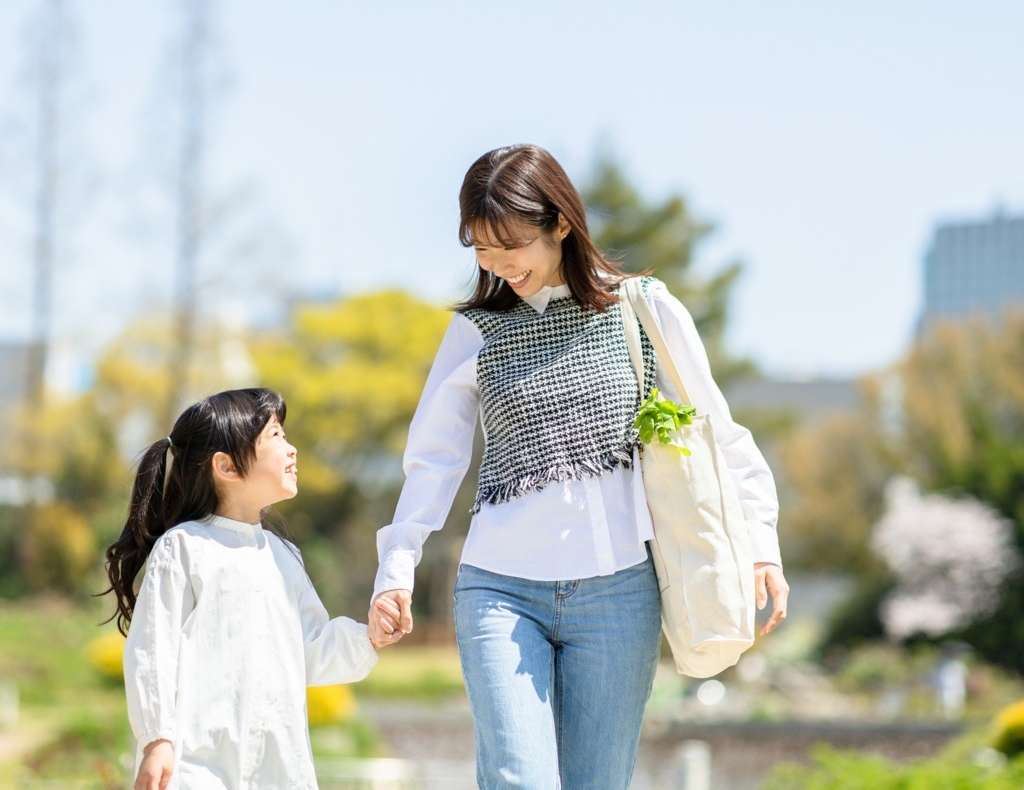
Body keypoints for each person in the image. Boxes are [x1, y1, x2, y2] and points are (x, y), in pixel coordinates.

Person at [367, 144, 789, 789]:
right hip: (500, 590)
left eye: (513, 245)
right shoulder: (477, 331)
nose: (500, 265)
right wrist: (397, 569)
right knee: (519, 780)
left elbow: (721, 434)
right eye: (481, 249)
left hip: (619, 594)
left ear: (561, 223)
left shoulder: (641, 310)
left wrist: (761, 544)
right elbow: (434, 459)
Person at [102, 388, 399, 790]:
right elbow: (153, 650)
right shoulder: (185, 547)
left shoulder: (284, 555)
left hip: (279, 770)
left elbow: (310, 648)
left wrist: (369, 636)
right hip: (197, 768)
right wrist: (157, 739)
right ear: (225, 466)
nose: (292, 449)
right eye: (276, 437)